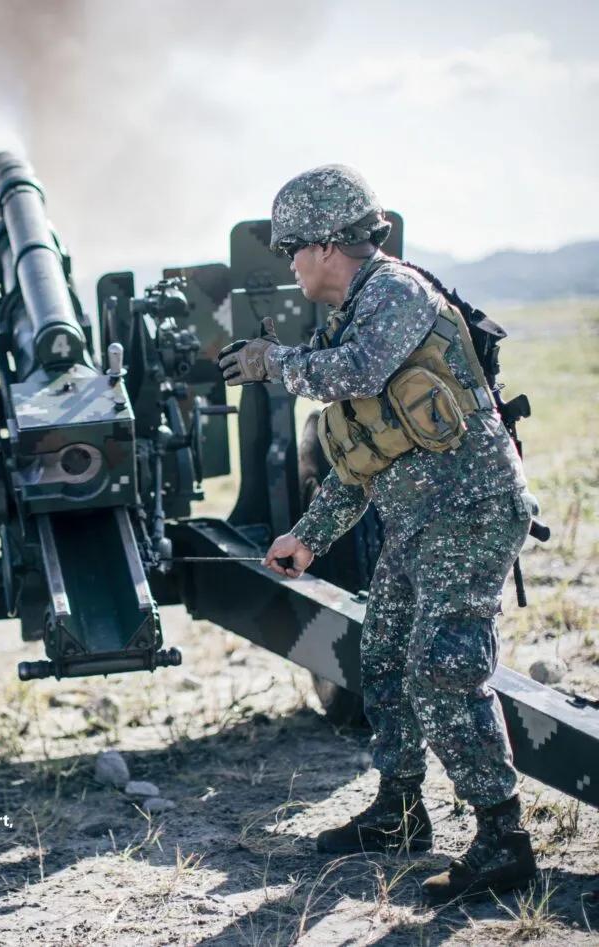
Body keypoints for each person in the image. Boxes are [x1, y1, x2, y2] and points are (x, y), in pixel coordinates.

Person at [218, 165, 538, 905]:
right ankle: (398, 812)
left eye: (294, 248)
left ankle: (503, 838)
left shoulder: (393, 292)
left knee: (443, 665)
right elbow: (361, 454)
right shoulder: (350, 315)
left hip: (471, 508)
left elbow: (353, 373)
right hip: (420, 518)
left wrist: (276, 362)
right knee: (384, 654)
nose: (290, 263)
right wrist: (306, 535)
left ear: (330, 246)